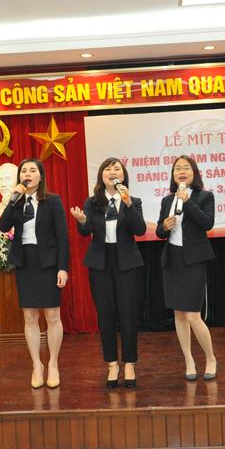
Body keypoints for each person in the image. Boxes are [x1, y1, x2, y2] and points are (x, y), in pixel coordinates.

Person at [69, 157, 146, 389]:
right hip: (100, 264)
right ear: (101, 176)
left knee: (128, 314)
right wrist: (82, 220)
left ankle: (129, 363)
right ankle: (112, 364)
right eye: (107, 169)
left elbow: (140, 230)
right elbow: (85, 231)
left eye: (117, 169)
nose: (112, 172)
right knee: (105, 315)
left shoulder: (134, 201)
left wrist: (128, 204)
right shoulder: (92, 202)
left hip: (127, 263)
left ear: (123, 175)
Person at [0, 158, 69, 389]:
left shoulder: (53, 201)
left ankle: (53, 364)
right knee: (29, 316)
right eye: (23, 171)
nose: (27, 174)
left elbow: (62, 237)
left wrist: (63, 267)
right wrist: (13, 200)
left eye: (32, 170)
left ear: (41, 176)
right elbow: (3, 226)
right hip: (25, 262)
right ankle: (37, 365)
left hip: (48, 262)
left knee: (52, 316)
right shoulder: (17, 201)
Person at [156, 155, 217, 381]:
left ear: (194, 173)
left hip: (194, 260)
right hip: (173, 260)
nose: (182, 171)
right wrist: (164, 226)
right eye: (177, 168)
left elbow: (207, 223)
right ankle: (189, 360)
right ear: (173, 175)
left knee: (192, 315)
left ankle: (210, 358)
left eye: (186, 168)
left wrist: (187, 202)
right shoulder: (167, 200)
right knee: (179, 315)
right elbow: (159, 232)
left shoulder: (205, 197)